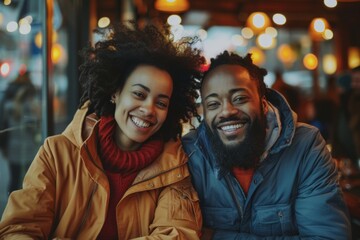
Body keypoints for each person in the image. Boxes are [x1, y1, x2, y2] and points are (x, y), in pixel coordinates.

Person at [0, 22, 205, 239]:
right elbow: (18, 229)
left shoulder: (174, 169)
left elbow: (177, 234)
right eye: (138, 94)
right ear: (115, 93)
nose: (148, 109)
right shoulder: (57, 153)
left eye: (161, 103)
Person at [181, 51, 351, 239]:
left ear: (263, 104)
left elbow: (328, 236)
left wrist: (215, 236)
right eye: (213, 104)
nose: (227, 111)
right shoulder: (189, 154)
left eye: (239, 98)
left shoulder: (306, 146)